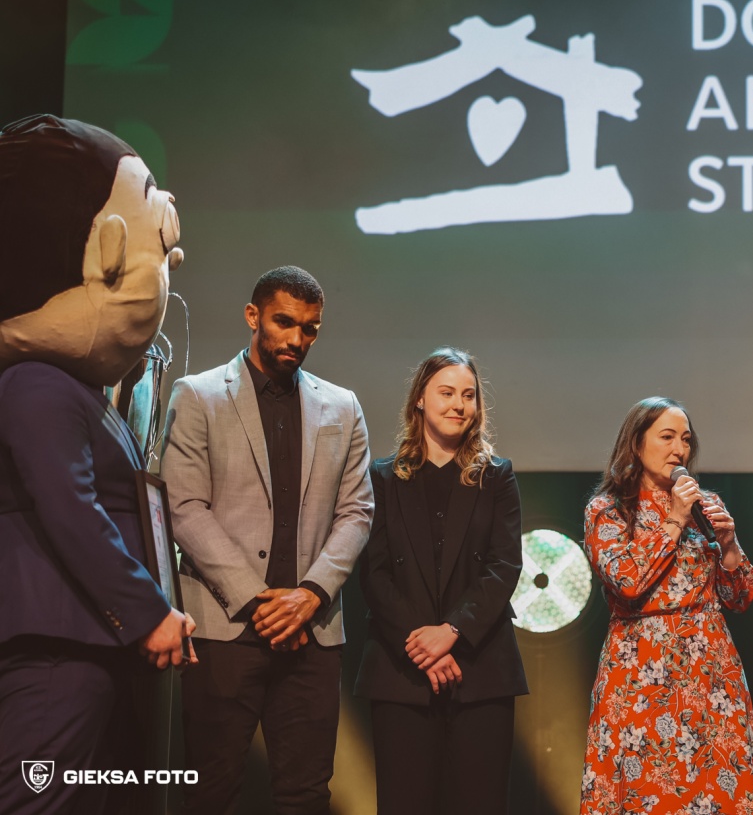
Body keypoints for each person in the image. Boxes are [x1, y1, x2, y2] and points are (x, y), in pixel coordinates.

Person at [0, 115, 194, 815]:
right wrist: (146, 611)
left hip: (86, 640)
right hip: (59, 640)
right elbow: (70, 506)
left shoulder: (72, 390)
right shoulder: (36, 385)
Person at [160, 266, 373, 815]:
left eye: (310, 328)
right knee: (210, 792)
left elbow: (357, 511)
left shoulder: (342, 406)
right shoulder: (199, 394)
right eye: (284, 322)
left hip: (312, 632)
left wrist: (311, 595)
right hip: (225, 628)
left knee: (307, 795)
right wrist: (259, 602)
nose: (297, 339)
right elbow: (183, 507)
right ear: (253, 316)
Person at [355, 347, 528, 815]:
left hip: (481, 667)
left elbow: (504, 566)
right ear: (420, 399)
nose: (459, 405)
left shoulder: (497, 476)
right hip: (401, 671)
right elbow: (373, 572)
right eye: (447, 393)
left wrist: (451, 632)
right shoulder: (383, 477)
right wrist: (422, 646)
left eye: (468, 395)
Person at [579, 397, 753, 815]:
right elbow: (628, 581)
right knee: (647, 787)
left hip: (710, 670)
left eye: (685, 439)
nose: (679, 449)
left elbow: (741, 596)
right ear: (636, 443)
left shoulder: (705, 505)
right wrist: (676, 518)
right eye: (667, 437)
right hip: (640, 669)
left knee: (718, 786)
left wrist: (729, 545)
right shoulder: (607, 510)